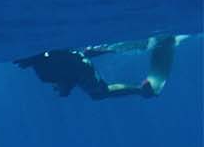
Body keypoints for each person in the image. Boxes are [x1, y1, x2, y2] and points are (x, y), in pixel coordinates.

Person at [14, 35, 177, 101]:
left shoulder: (45, 74)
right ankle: (122, 47)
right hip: (73, 57)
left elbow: (66, 76)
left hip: (76, 63)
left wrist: (64, 90)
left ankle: (140, 89)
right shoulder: (44, 70)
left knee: (98, 93)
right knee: (85, 56)